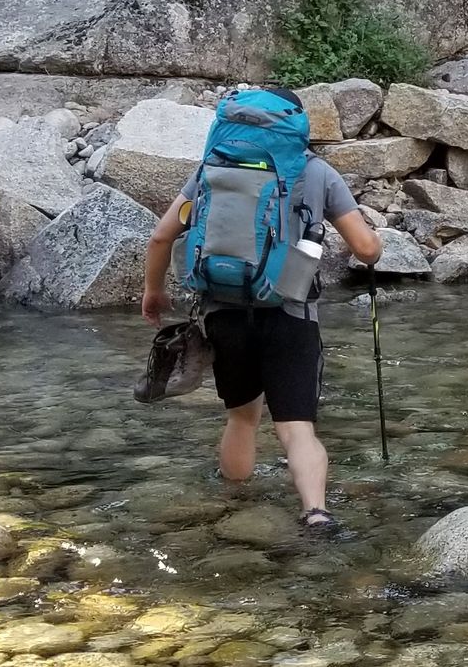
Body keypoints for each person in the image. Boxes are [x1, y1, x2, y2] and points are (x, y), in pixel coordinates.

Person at [141, 109, 381, 534]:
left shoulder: (211, 170)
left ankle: (236, 507)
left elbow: (162, 236)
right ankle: (315, 513)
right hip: (291, 314)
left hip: (223, 314)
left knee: (241, 417)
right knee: (296, 427)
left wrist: (153, 291)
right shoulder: (315, 172)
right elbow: (364, 248)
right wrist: (375, 249)